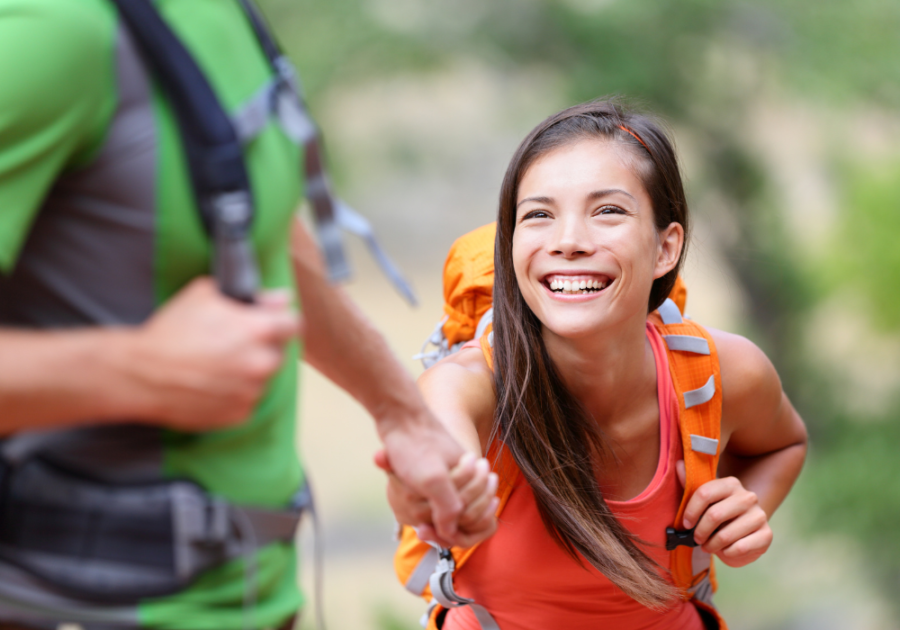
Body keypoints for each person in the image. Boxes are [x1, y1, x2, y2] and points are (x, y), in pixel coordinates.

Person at [0, 1, 495, 628]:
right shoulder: (44, 34)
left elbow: (260, 238)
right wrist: (135, 370)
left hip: (250, 592)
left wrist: (403, 416)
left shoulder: (211, 14)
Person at [385, 100, 809, 629]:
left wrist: (746, 509)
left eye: (608, 211)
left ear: (665, 247)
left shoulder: (721, 374)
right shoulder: (464, 388)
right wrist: (431, 490)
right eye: (538, 215)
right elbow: (437, 455)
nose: (568, 242)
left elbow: (783, 443)